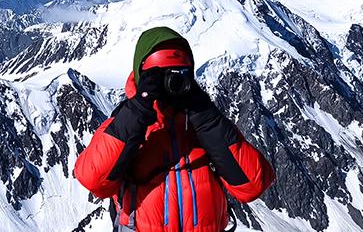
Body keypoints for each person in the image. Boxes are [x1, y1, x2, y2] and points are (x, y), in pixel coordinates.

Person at [74, 26, 275, 231]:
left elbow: (252, 186)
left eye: (180, 74)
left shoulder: (204, 124)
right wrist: (138, 110)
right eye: (160, 75)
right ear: (142, 75)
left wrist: (206, 118)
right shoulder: (127, 122)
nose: (172, 82)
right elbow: (93, 180)